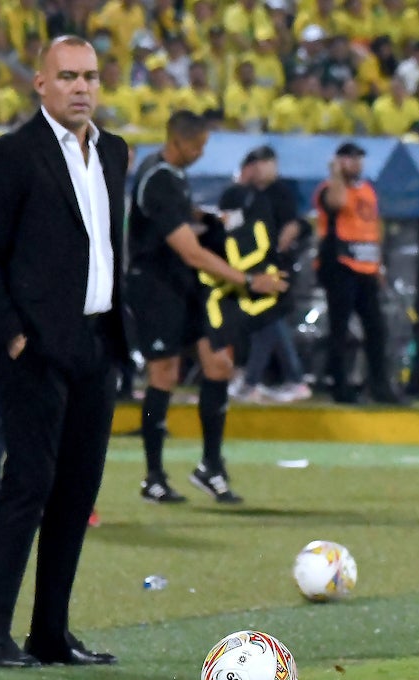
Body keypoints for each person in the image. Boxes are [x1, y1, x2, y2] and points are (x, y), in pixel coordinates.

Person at [0, 35, 131, 668]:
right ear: (40, 83)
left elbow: (107, 246)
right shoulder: (10, 155)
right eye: (68, 76)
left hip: (96, 342)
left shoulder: (113, 151)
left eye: (89, 76)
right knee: (27, 485)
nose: (81, 87)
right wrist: (11, 333)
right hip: (34, 346)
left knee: (76, 493)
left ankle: (50, 634)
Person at [127, 111, 289, 505]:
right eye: (197, 147)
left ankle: (210, 466)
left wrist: (212, 218)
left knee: (218, 363)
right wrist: (249, 280)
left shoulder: (171, 173)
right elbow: (191, 252)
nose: (201, 154)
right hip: (155, 288)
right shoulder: (159, 179)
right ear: (178, 142)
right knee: (163, 373)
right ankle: (153, 475)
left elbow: (185, 220)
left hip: (184, 286)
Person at [313, 142, 401, 405]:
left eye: (358, 159)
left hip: (366, 266)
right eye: (349, 159)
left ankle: (379, 385)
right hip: (340, 265)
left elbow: (373, 227)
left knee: (376, 328)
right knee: (340, 328)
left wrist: (379, 264)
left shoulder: (368, 190)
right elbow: (337, 202)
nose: (355, 164)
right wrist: (336, 173)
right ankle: (339, 386)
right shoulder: (329, 188)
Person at [225, 145, 310, 403]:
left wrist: (288, 239)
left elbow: (295, 226)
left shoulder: (281, 192)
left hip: (275, 266)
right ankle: (289, 379)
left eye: (265, 163)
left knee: (268, 320)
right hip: (255, 266)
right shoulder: (249, 194)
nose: (260, 169)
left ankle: (255, 381)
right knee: (268, 323)